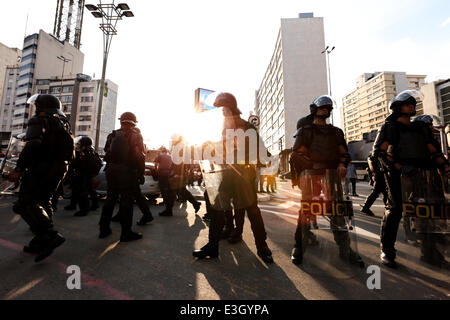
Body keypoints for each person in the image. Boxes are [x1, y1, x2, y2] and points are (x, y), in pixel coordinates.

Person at [193, 92, 274, 263]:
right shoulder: (222, 129)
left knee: (253, 211)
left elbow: (261, 150)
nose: (222, 112)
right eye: (220, 109)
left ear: (231, 107)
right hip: (225, 175)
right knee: (216, 209)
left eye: (223, 108)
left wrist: (261, 158)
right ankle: (212, 246)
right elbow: (217, 150)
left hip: (244, 176)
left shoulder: (246, 127)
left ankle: (262, 246)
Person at [373, 90, 450, 268]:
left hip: (423, 175)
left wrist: (445, 167)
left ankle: (430, 253)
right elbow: (379, 154)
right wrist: (399, 167)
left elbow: (434, 151)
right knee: (394, 210)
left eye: (413, 104)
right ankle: (387, 251)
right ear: (397, 108)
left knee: (428, 212)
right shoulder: (390, 127)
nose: (411, 106)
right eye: (407, 104)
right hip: (398, 176)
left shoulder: (420, 128)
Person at [290, 95, 363, 266]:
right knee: (306, 211)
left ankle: (345, 249)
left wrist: (342, 164)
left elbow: (344, 153)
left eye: (327, 108)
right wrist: (310, 167)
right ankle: (299, 247)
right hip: (312, 177)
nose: (325, 110)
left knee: (337, 212)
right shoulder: (306, 131)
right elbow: (296, 154)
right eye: (321, 108)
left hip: (333, 177)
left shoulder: (336, 132)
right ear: (314, 110)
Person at [8, 94, 74, 262]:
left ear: (40, 107)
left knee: (25, 203)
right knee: (43, 202)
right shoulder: (61, 123)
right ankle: (41, 241)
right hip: (58, 168)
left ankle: (49, 235)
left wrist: (19, 169)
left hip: (42, 168)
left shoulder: (39, 121)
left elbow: (33, 145)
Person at [98, 112, 146, 242]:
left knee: (110, 199)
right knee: (126, 202)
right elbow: (140, 156)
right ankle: (126, 233)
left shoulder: (112, 135)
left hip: (111, 170)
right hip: (127, 172)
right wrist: (141, 173)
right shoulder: (136, 136)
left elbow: (107, 153)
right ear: (133, 123)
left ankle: (104, 229)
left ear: (121, 121)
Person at [65, 136, 102, 217]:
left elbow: (78, 164)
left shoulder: (85, 153)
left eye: (80, 144)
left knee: (82, 192)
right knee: (85, 189)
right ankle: (75, 205)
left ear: (84, 145)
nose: (78, 145)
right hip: (86, 175)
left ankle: (84, 210)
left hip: (83, 175)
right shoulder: (90, 151)